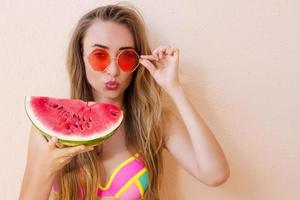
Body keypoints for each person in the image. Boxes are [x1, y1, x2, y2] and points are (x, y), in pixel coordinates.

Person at [19, 3, 230, 200]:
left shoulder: (154, 121)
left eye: (126, 57)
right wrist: (44, 170)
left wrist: (174, 89)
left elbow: (215, 174)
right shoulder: (47, 131)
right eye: (99, 56)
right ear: (80, 57)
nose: (113, 70)